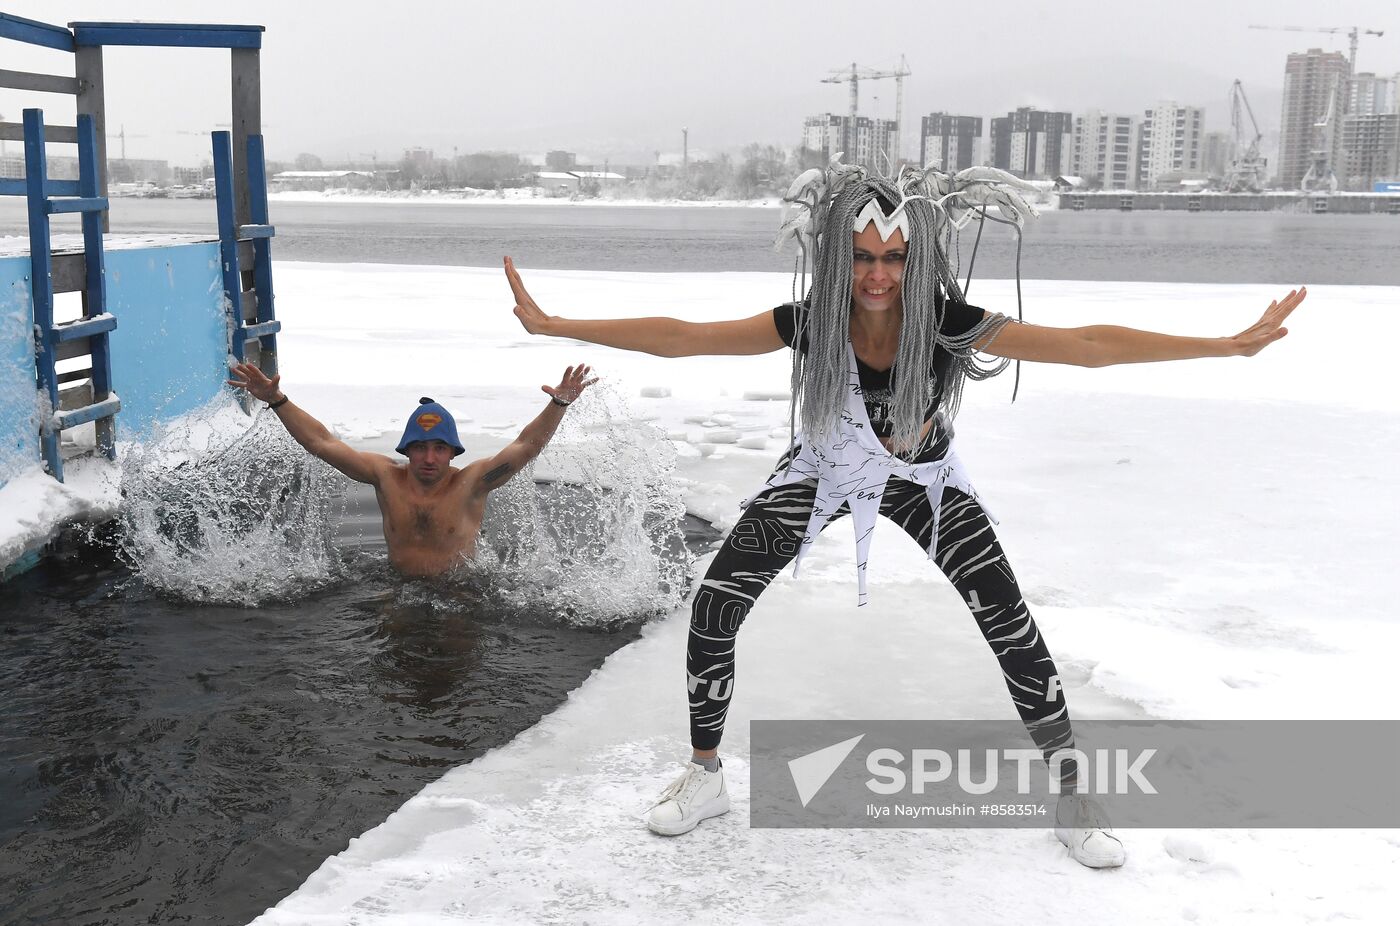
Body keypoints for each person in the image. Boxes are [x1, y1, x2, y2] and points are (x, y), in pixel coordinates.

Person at [503, 164, 1305, 869]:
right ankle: (706, 774)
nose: (877, 275)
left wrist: (1226, 345)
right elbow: (685, 337)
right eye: (862, 257)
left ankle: (1072, 795)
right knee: (714, 609)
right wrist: (556, 323)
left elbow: (1085, 343)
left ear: (915, 259)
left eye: (892, 257)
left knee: (1012, 626)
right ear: (838, 258)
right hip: (817, 474)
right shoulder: (814, 319)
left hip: (922, 483)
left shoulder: (949, 322)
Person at [227, 361, 597, 576]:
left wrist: (558, 404)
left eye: (439, 448)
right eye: (420, 448)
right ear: (406, 450)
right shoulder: (386, 477)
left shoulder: (471, 485)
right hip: (398, 590)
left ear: (453, 452)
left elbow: (524, 447)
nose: (429, 458)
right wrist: (277, 400)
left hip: (461, 595)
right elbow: (322, 443)